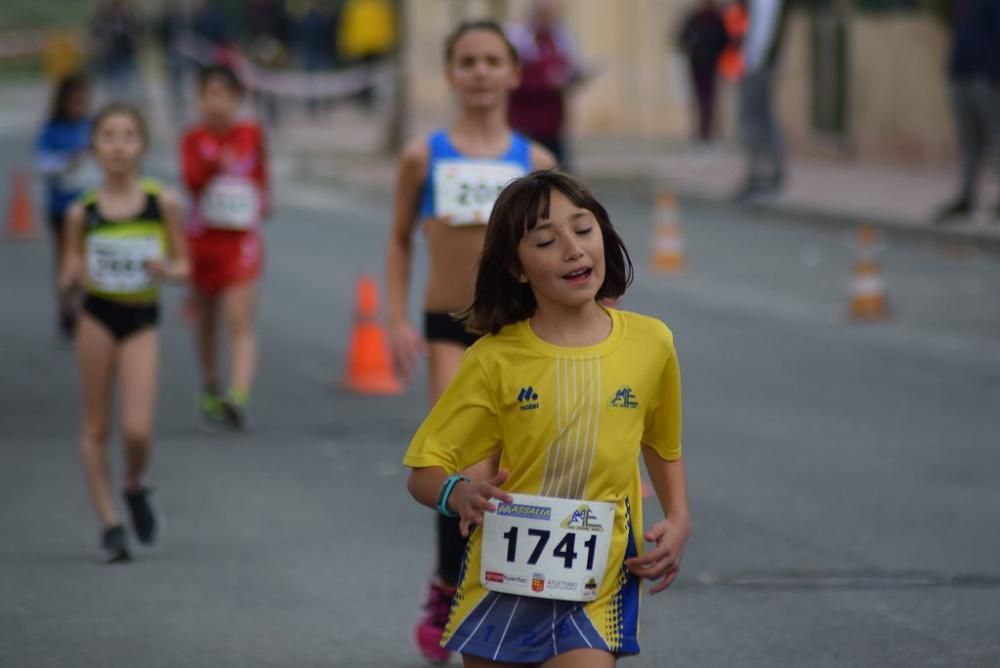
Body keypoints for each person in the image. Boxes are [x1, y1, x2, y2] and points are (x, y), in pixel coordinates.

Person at [403, 170, 690, 666]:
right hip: (500, 585)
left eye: (583, 229)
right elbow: (423, 472)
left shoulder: (652, 343)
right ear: (516, 267)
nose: (573, 249)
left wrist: (679, 515)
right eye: (545, 240)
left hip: (595, 586)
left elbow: (661, 442)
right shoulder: (494, 359)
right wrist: (460, 493)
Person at [385, 19, 555, 663]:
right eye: (468, 61)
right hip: (448, 327)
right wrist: (396, 319)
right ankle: (448, 584)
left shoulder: (534, 162)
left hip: (516, 332)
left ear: (513, 73)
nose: (481, 71)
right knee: (464, 468)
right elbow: (399, 239)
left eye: (492, 60)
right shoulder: (422, 156)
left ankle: (505, 591)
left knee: (518, 471)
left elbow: (557, 249)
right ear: (451, 74)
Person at [58, 103, 188, 562]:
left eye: (128, 136)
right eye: (108, 136)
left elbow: (183, 264)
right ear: (94, 147)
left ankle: (134, 482)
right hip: (97, 316)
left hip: (140, 319)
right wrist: (71, 277)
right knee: (95, 424)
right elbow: (70, 265)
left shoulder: (161, 203)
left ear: (142, 146)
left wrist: (165, 270)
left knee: (136, 428)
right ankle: (110, 523)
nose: (117, 145)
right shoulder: (83, 212)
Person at [181, 65, 269, 431]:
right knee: (206, 319)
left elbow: (262, 174)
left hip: (241, 241)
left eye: (224, 95)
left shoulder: (251, 134)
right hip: (203, 240)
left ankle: (239, 394)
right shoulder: (193, 139)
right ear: (200, 99)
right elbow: (191, 181)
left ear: (237, 100)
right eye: (209, 95)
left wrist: (263, 200)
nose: (217, 104)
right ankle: (211, 385)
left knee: (238, 317)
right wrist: (214, 164)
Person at [36, 73, 95, 339]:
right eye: (74, 100)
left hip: (90, 206)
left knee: (87, 257)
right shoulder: (52, 129)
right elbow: (43, 163)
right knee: (64, 257)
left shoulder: (91, 126)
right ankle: (66, 307)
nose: (79, 105)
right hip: (61, 207)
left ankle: (86, 307)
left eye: (83, 100)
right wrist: (67, 161)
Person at [934, 0, 1000, 224]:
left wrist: (992, 74)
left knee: (995, 137)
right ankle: (966, 196)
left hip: (986, 77)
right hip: (961, 73)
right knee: (968, 142)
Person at [507, 0, 586, 168]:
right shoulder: (520, 40)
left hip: (552, 125)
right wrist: (546, 82)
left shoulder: (559, 39)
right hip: (525, 123)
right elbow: (515, 79)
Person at [733, 0, 788, 202]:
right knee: (763, 118)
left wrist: (749, 64)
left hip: (757, 65)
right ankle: (768, 176)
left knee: (752, 120)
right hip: (759, 63)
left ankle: (760, 177)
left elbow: (761, 32)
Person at [676, 0, 729, 143]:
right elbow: (680, 38)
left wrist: (715, 53)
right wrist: (691, 46)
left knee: (709, 100)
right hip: (696, 64)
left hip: (711, 65)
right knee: (698, 99)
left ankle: (708, 133)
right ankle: (699, 132)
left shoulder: (716, 19)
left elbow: (724, 40)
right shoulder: (694, 19)